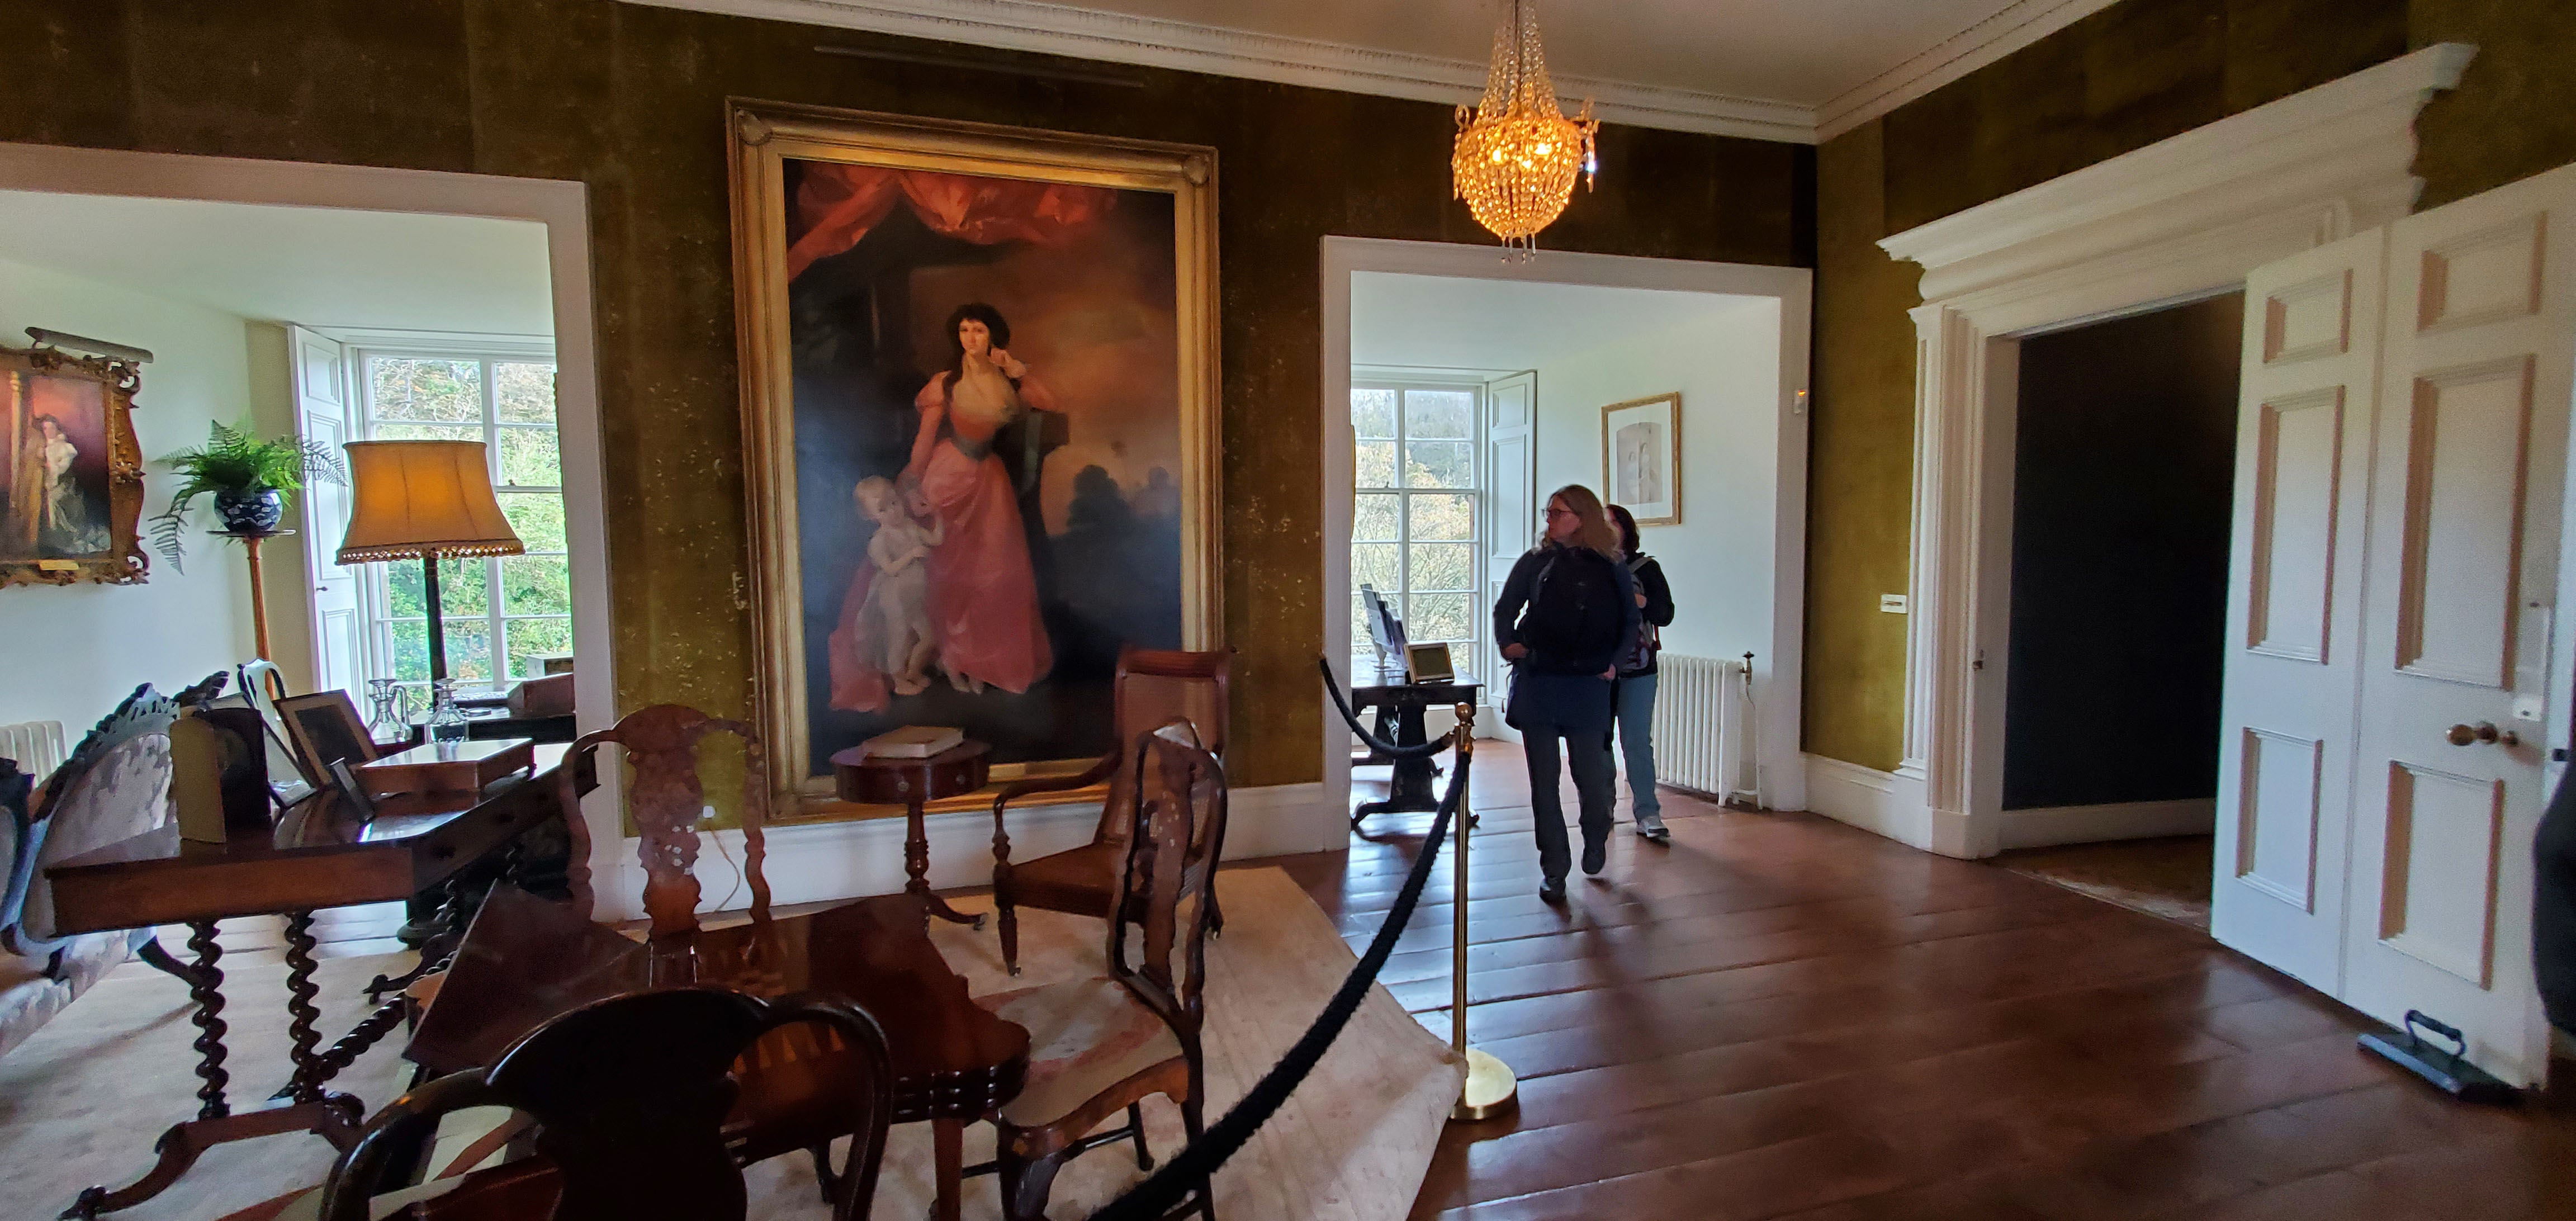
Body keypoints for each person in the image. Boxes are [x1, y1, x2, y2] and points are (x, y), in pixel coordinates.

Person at [1493, 484, 1641, 902]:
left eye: (1559, 513)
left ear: (1582, 517)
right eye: (1549, 512)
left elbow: (1630, 620)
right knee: (1544, 784)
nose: (1550, 520)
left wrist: (1615, 662)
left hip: (1587, 684)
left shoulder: (1610, 565)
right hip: (1540, 680)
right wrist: (1508, 645)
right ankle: (1554, 869)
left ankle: (1596, 834)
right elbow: (1506, 608)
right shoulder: (1536, 561)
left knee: (1592, 779)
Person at [901, 302, 1055, 697]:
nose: (971, 338)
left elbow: (1048, 401)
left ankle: (980, 660)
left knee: (994, 571)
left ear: (992, 337)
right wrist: (913, 480)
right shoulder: (946, 383)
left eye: (979, 330)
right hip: (949, 475)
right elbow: (925, 437)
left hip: (989, 479)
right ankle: (950, 657)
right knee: (949, 571)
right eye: (965, 330)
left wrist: (1016, 368)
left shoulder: (1008, 378)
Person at [1607, 504, 1676, 842]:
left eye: (1611, 522)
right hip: (1596, 671)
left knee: (1636, 743)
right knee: (1597, 743)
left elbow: (1666, 614)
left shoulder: (1647, 569)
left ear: (1626, 529)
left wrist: (1640, 601)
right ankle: (1601, 808)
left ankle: (1648, 813)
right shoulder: (1587, 567)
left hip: (1639, 670)